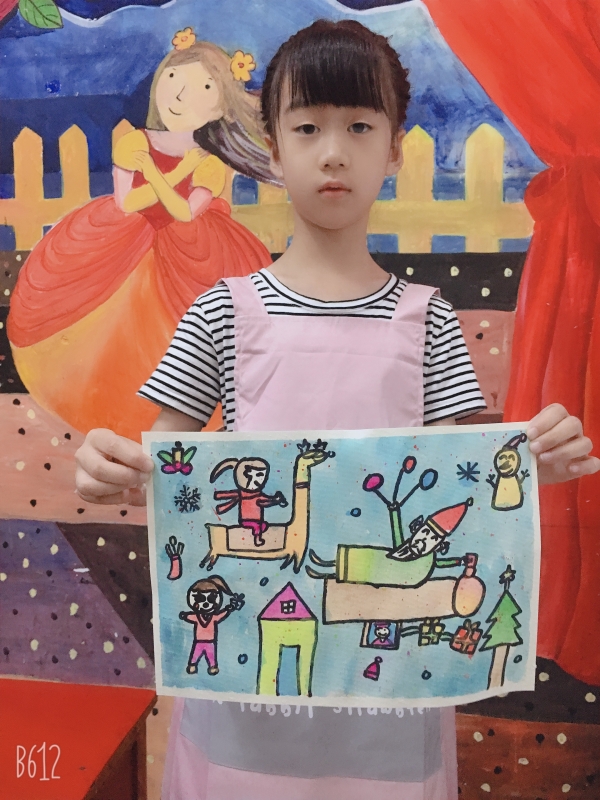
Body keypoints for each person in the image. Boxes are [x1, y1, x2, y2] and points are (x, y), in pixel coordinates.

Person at [74, 19, 599, 800]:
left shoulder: (429, 321)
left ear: (394, 150)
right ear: (272, 150)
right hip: (243, 702)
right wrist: (107, 467)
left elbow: (465, 483)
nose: (332, 152)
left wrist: (529, 463)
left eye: (359, 126)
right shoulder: (220, 312)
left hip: (389, 707)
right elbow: (162, 471)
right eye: (307, 127)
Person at [8, 28, 277, 441]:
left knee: (183, 330)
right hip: (123, 237)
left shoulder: (209, 163)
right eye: (173, 77)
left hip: (192, 248)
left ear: (222, 104)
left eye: (204, 86)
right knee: (100, 320)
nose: (181, 93)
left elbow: (183, 214)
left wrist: (158, 173)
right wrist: (170, 171)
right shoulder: (135, 142)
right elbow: (127, 203)